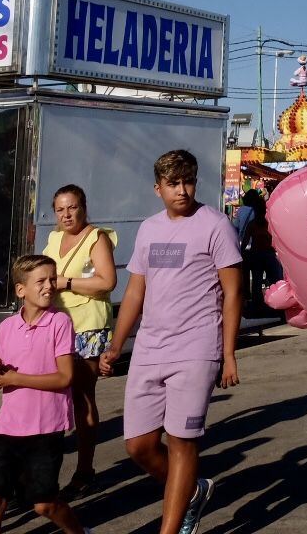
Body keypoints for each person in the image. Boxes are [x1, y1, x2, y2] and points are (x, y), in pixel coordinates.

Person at [101, 150, 243, 534]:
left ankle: (172, 528)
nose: (182, 190)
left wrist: (228, 354)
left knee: (182, 441)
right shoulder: (149, 229)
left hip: (197, 350)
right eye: (173, 184)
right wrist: (117, 345)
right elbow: (135, 292)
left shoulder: (215, 226)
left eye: (188, 181)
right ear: (157, 188)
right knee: (139, 446)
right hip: (149, 349)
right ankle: (193, 493)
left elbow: (233, 293)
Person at [0, 255, 86, 534]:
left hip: (45, 427)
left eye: (52, 279)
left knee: (44, 504)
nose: (49, 286)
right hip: (7, 428)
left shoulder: (60, 323)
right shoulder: (6, 327)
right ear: (20, 290)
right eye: (41, 281)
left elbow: (65, 377)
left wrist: (14, 378)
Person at [42, 185, 116, 497]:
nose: (67, 214)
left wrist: (66, 283)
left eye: (72, 208)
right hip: (54, 324)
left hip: (86, 326)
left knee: (82, 396)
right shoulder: (54, 238)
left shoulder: (95, 237)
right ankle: (44, 472)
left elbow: (107, 281)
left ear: (83, 207)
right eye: (60, 209)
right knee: (50, 396)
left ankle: (85, 470)